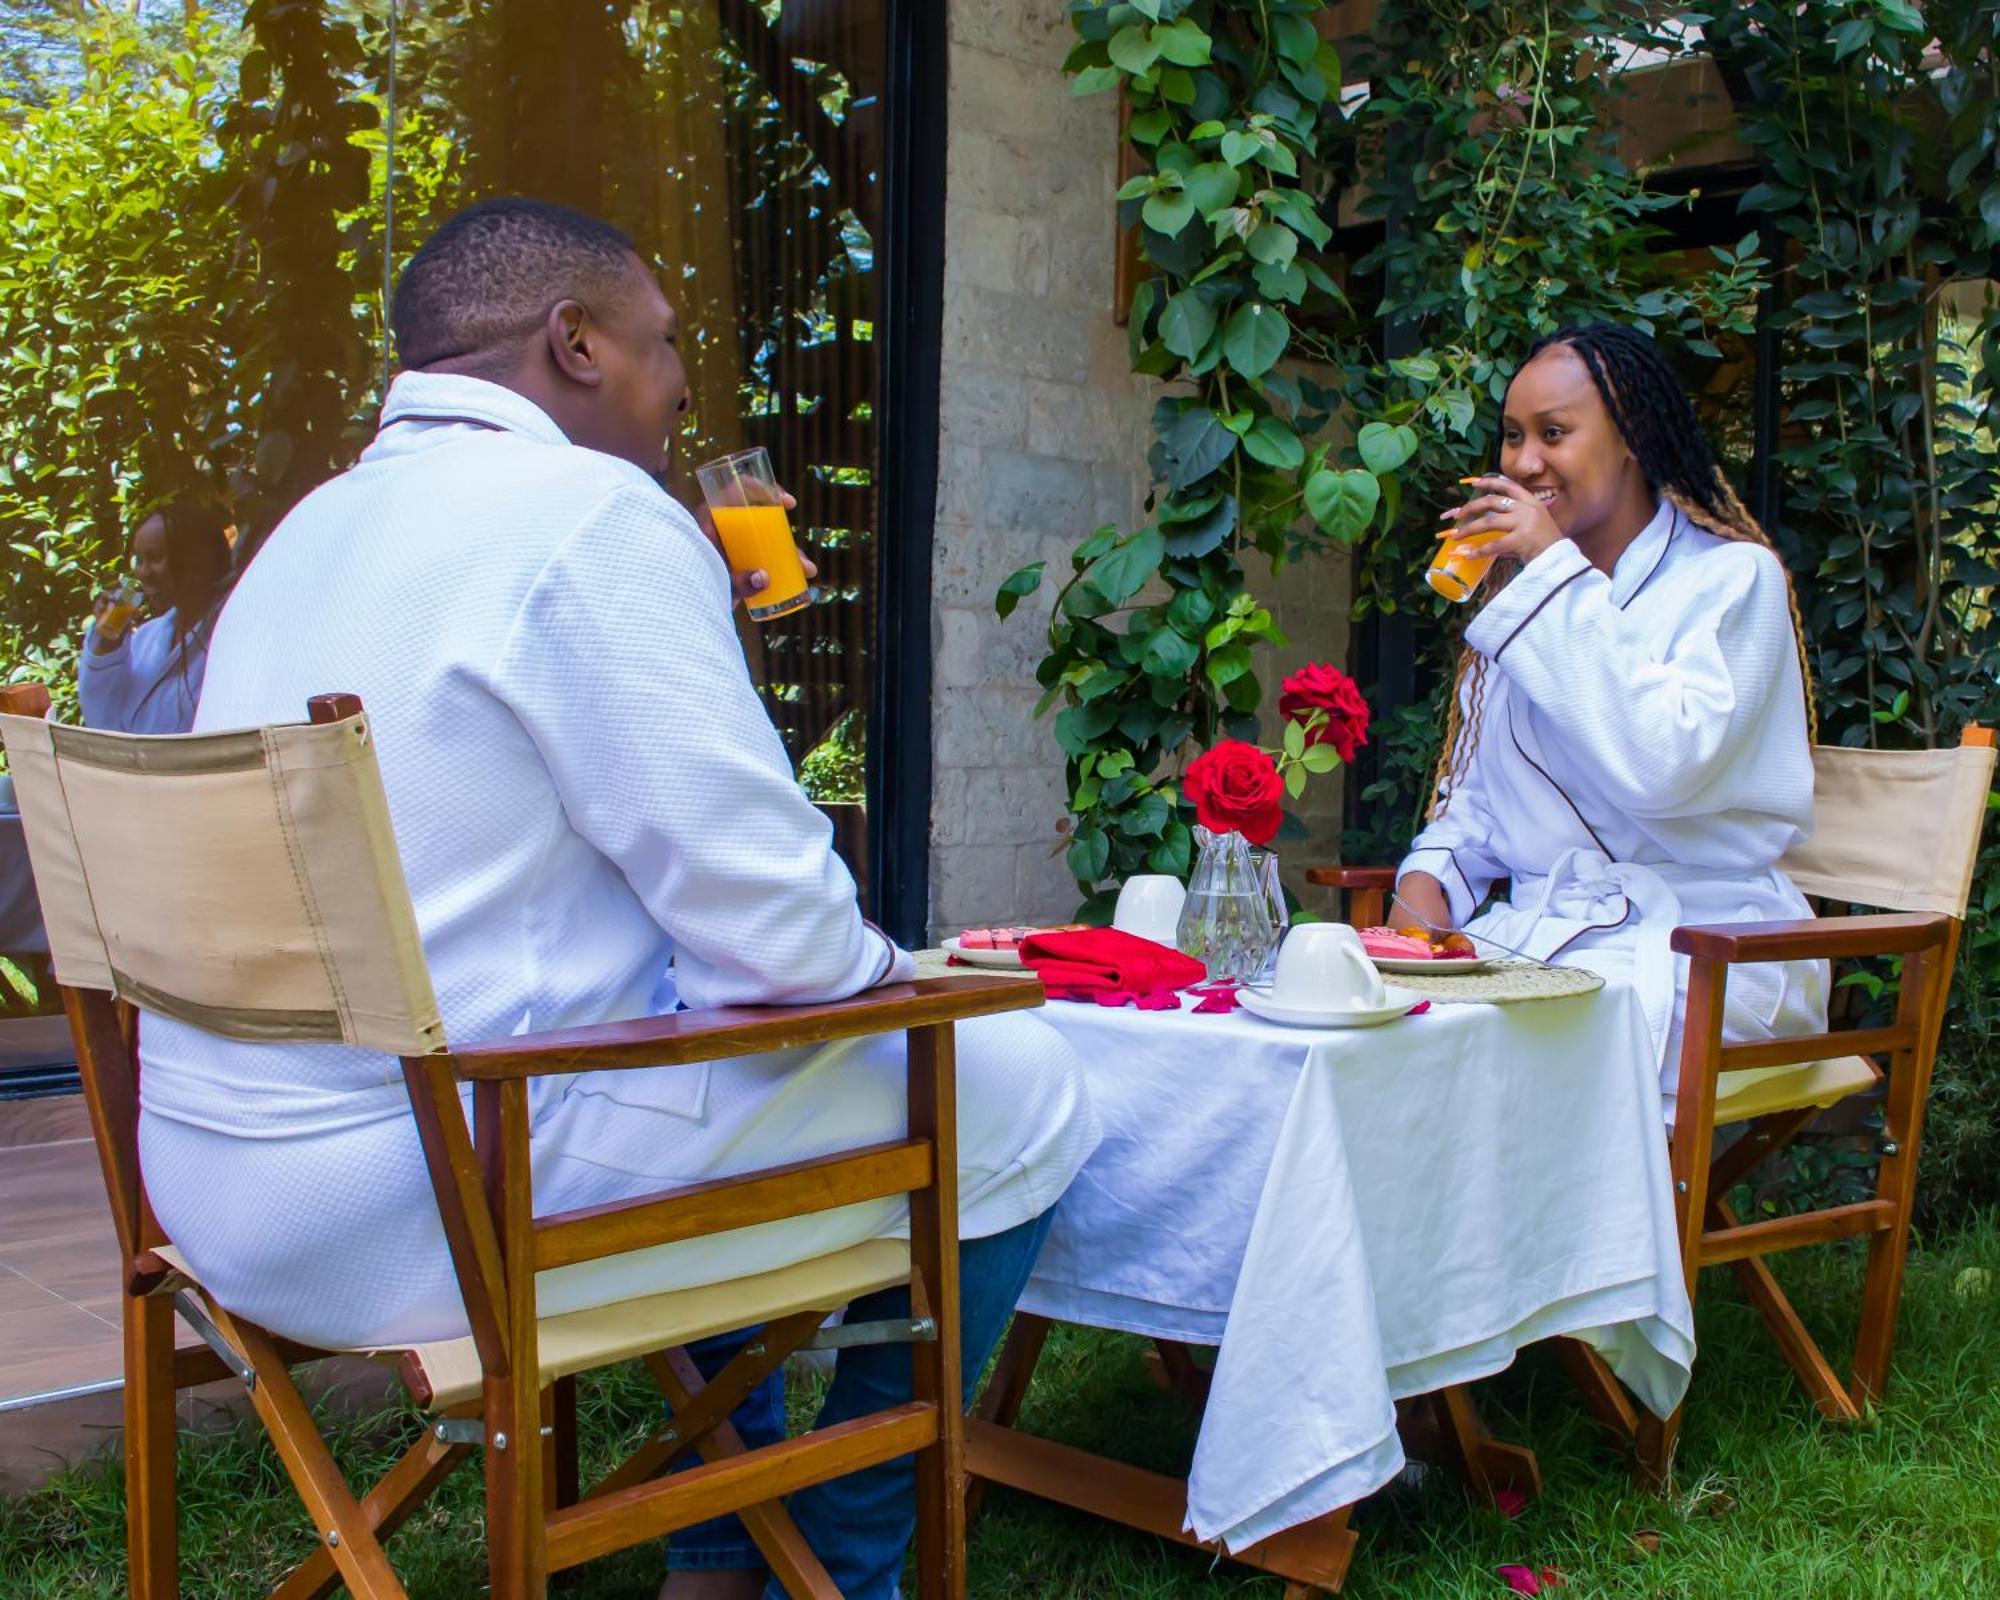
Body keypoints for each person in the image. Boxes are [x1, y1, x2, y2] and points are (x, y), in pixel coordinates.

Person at [132, 197, 1100, 1599]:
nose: (679, 394)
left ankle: (717, 1532)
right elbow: (778, 938)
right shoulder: (589, 518)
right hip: (427, 1195)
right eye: (663, 352)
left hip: (212, 1186)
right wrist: (904, 975)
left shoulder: (308, 530)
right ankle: (841, 1551)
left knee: (706, 1050)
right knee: (1012, 1079)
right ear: (573, 342)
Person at [1397, 322, 1828, 1122]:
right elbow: (1479, 811)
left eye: (1554, 434)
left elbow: (1662, 766)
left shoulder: (1733, 582)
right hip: (1548, 943)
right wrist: (1416, 914)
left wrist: (1547, 572)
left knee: (1501, 1047)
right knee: (1389, 1029)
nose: (1524, 464)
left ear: (1630, 433)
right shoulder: (1524, 611)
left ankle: (1581, 1250)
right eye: (1514, 437)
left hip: (1712, 951)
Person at [77, 500, 232, 733]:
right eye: (139, 560)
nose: (143, 573)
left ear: (198, 559)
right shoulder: (146, 639)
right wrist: (106, 642)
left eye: (156, 558)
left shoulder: (229, 636)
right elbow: (101, 722)